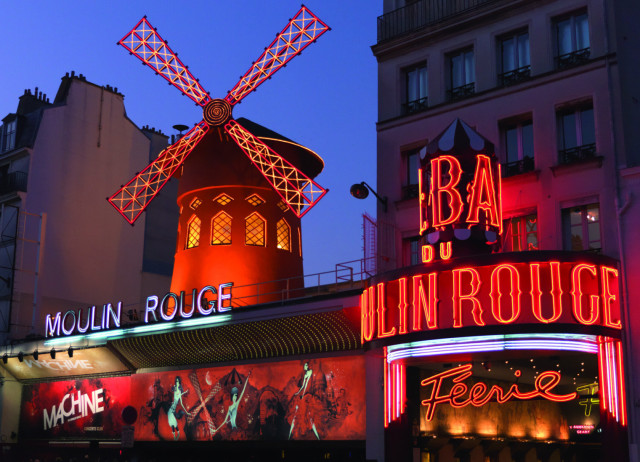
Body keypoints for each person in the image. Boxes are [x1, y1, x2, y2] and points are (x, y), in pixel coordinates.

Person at [289, 362, 321, 440]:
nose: (305, 366)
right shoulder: (306, 374)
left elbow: (307, 385)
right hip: (304, 393)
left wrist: (302, 394)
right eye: (304, 365)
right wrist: (298, 392)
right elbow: (303, 385)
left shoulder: (310, 372)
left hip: (307, 393)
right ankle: (300, 431)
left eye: (306, 365)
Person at [167, 376, 190, 440]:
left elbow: (182, 403)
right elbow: (172, 391)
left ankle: (177, 434)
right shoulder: (174, 388)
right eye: (176, 381)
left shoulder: (179, 393)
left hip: (173, 407)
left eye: (178, 381)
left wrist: (187, 412)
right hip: (172, 406)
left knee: (171, 419)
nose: (177, 383)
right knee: (170, 419)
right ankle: (175, 435)